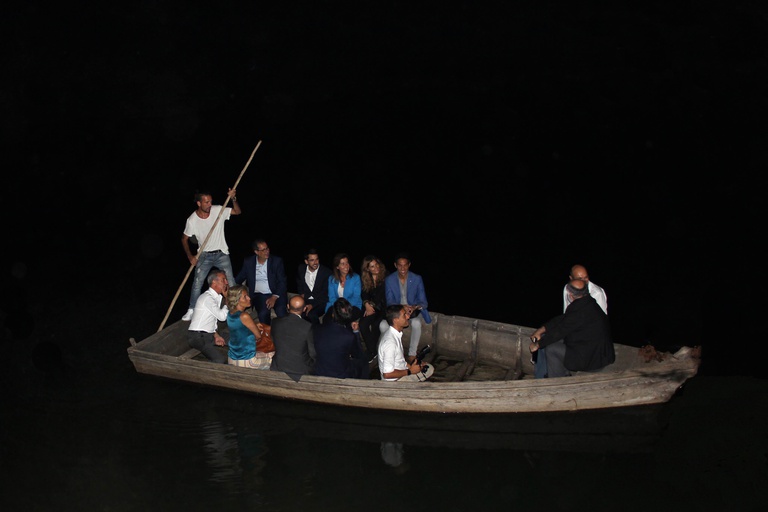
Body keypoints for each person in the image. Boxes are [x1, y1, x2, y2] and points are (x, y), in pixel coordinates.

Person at [529, 279, 615, 378]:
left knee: (551, 348)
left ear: (570, 295)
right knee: (550, 338)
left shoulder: (579, 312)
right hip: (597, 352)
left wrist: (537, 344)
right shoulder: (589, 303)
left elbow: (560, 331)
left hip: (593, 361)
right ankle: (563, 372)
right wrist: (542, 329)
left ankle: (556, 382)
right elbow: (563, 319)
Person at [181, 188, 241, 321]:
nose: (209, 205)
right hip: (204, 255)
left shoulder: (218, 210)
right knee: (197, 282)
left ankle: (235, 307)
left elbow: (237, 211)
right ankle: (191, 310)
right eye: (206, 202)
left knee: (231, 281)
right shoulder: (192, 220)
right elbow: (184, 239)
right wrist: (190, 256)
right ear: (199, 203)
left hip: (221, 254)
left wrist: (233, 198)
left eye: (210, 202)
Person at [384, 252, 431, 362]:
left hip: (413, 312)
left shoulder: (417, 278)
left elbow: (424, 302)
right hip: (397, 311)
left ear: (409, 265)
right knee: (383, 326)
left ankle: (412, 353)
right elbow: (390, 301)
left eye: (405, 264)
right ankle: (388, 353)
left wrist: (414, 307)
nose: (402, 268)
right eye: (400, 265)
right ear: (395, 265)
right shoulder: (389, 280)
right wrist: (402, 307)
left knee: (416, 323)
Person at [235, 238, 288, 326]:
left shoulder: (276, 261)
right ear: (256, 252)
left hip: (276, 293)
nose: (266, 251)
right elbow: (240, 278)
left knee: (281, 312)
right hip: (259, 295)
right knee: (263, 314)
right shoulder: (249, 262)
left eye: (267, 248)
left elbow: (282, 281)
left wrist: (274, 297)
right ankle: (267, 335)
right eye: (263, 250)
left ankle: (283, 334)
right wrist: (229, 287)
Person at [312, 298, 368, 379]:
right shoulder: (348, 336)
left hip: (320, 371)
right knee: (363, 361)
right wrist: (356, 332)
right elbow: (358, 354)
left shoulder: (317, 329)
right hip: (340, 374)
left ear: (333, 314)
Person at [225, 284, 275, 369]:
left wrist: (254, 325)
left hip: (232, 359)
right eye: (245, 297)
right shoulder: (244, 316)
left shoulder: (230, 314)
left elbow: (239, 326)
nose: (249, 298)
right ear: (237, 300)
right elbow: (258, 336)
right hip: (247, 361)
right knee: (276, 357)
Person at [186, 269, 230, 364]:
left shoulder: (216, 297)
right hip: (198, 337)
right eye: (223, 280)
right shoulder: (207, 298)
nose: (226, 282)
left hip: (207, 335)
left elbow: (210, 320)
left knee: (233, 339)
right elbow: (222, 317)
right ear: (214, 282)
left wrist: (216, 335)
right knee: (220, 360)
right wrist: (227, 299)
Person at [270, 295, 316, 380]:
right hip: (299, 371)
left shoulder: (275, 322)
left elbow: (274, 341)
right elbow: (312, 353)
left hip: (278, 366)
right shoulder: (307, 327)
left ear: (288, 306)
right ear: (304, 309)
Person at [377, 304, 425, 380]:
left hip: (402, 371)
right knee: (430, 370)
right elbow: (387, 374)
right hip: (395, 382)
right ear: (395, 320)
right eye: (404, 315)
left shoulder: (395, 334)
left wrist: (412, 366)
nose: (408, 317)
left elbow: (400, 361)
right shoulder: (390, 343)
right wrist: (410, 371)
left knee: (424, 367)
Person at [359, 255, 388, 359]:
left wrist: (371, 305)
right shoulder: (366, 278)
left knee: (376, 324)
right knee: (362, 324)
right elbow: (364, 293)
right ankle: (372, 350)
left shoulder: (385, 276)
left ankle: (371, 352)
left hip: (383, 308)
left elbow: (382, 295)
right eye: (372, 266)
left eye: (377, 265)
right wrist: (366, 304)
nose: (376, 268)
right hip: (371, 308)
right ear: (367, 269)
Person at [295, 248, 332, 325]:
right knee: (297, 313)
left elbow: (325, 294)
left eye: (317, 259)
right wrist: (301, 295)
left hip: (320, 302)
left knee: (312, 315)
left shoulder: (326, 272)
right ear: (306, 261)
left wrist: (312, 305)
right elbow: (299, 283)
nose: (315, 262)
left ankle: (318, 334)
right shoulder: (301, 269)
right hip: (306, 300)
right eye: (312, 260)